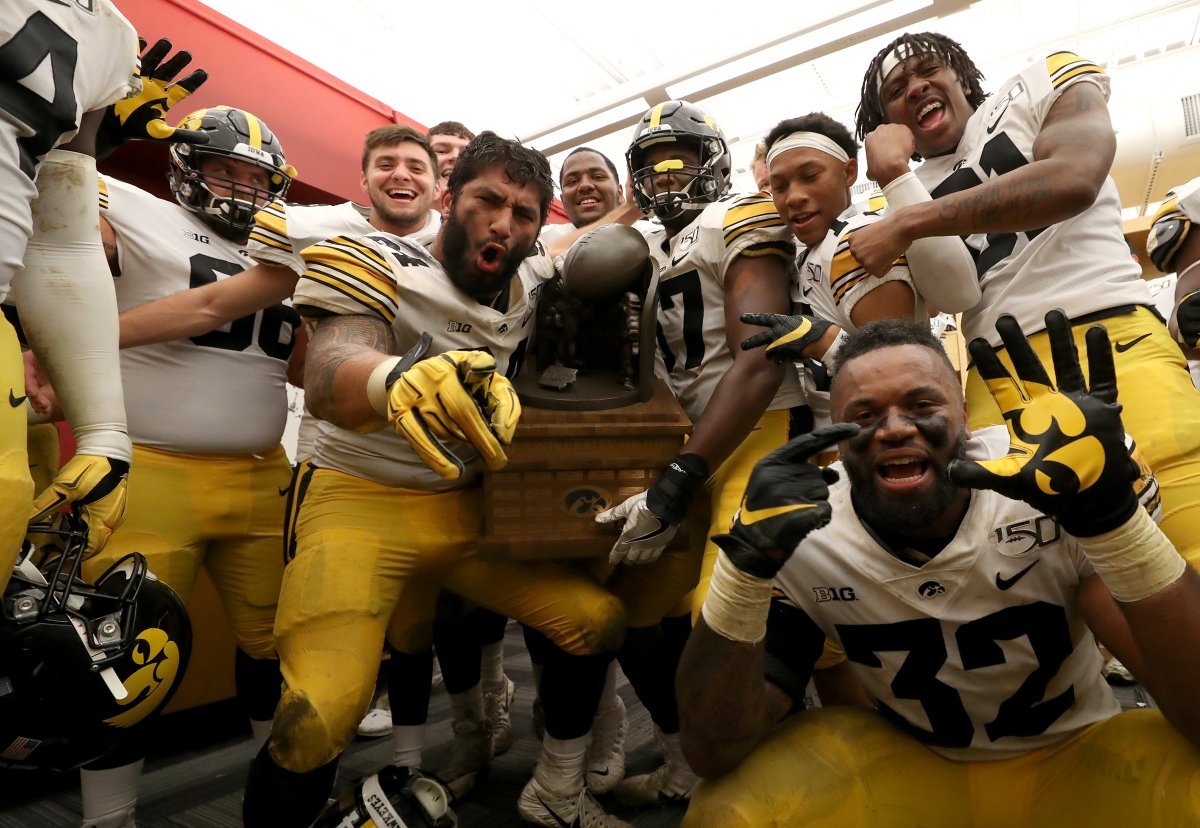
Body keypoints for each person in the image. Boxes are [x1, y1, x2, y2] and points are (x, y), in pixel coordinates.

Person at [241, 132, 627, 828]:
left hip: (463, 509)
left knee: (595, 622)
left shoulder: (537, 279)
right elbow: (329, 372)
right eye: (487, 201)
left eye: (524, 213)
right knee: (320, 712)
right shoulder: (376, 256)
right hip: (358, 498)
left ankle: (556, 788)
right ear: (449, 200)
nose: (502, 225)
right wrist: (396, 378)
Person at [678, 314, 1200, 825]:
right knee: (729, 810)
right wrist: (742, 573)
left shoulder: (1046, 484)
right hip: (916, 770)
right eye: (862, 416)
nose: (895, 429)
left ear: (967, 421)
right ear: (834, 439)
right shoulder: (804, 524)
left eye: (922, 405)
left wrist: (1113, 522)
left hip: (1080, 755)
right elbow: (714, 750)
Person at [848, 32, 1200, 571]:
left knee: (1185, 515)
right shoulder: (896, 190)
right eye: (896, 90)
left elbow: (1073, 178)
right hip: (997, 371)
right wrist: (898, 180)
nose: (916, 87)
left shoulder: (1040, 82)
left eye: (927, 70)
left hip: (1109, 334)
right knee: (1039, 557)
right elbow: (956, 294)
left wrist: (908, 222)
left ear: (961, 75)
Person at [72, 105, 298, 828]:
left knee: (277, 649)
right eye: (225, 169)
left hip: (264, 476)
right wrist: (80, 149)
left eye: (255, 177)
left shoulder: (292, 246)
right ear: (186, 168)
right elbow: (54, 237)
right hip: (154, 472)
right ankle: (108, 818)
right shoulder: (132, 206)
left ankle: (281, 791)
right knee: (127, 658)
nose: (240, 187)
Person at [580, 99, 802, 809]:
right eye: (650, 164)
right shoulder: (648, 243)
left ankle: (791, 788)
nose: (666, 175)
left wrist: (678, 479)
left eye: (680, 157)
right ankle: (686, 762)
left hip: (758, 432)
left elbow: (761, 354)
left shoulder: (738, 217)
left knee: (738, 623)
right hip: (696, 442)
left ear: (717, 162)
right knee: (634, 610)